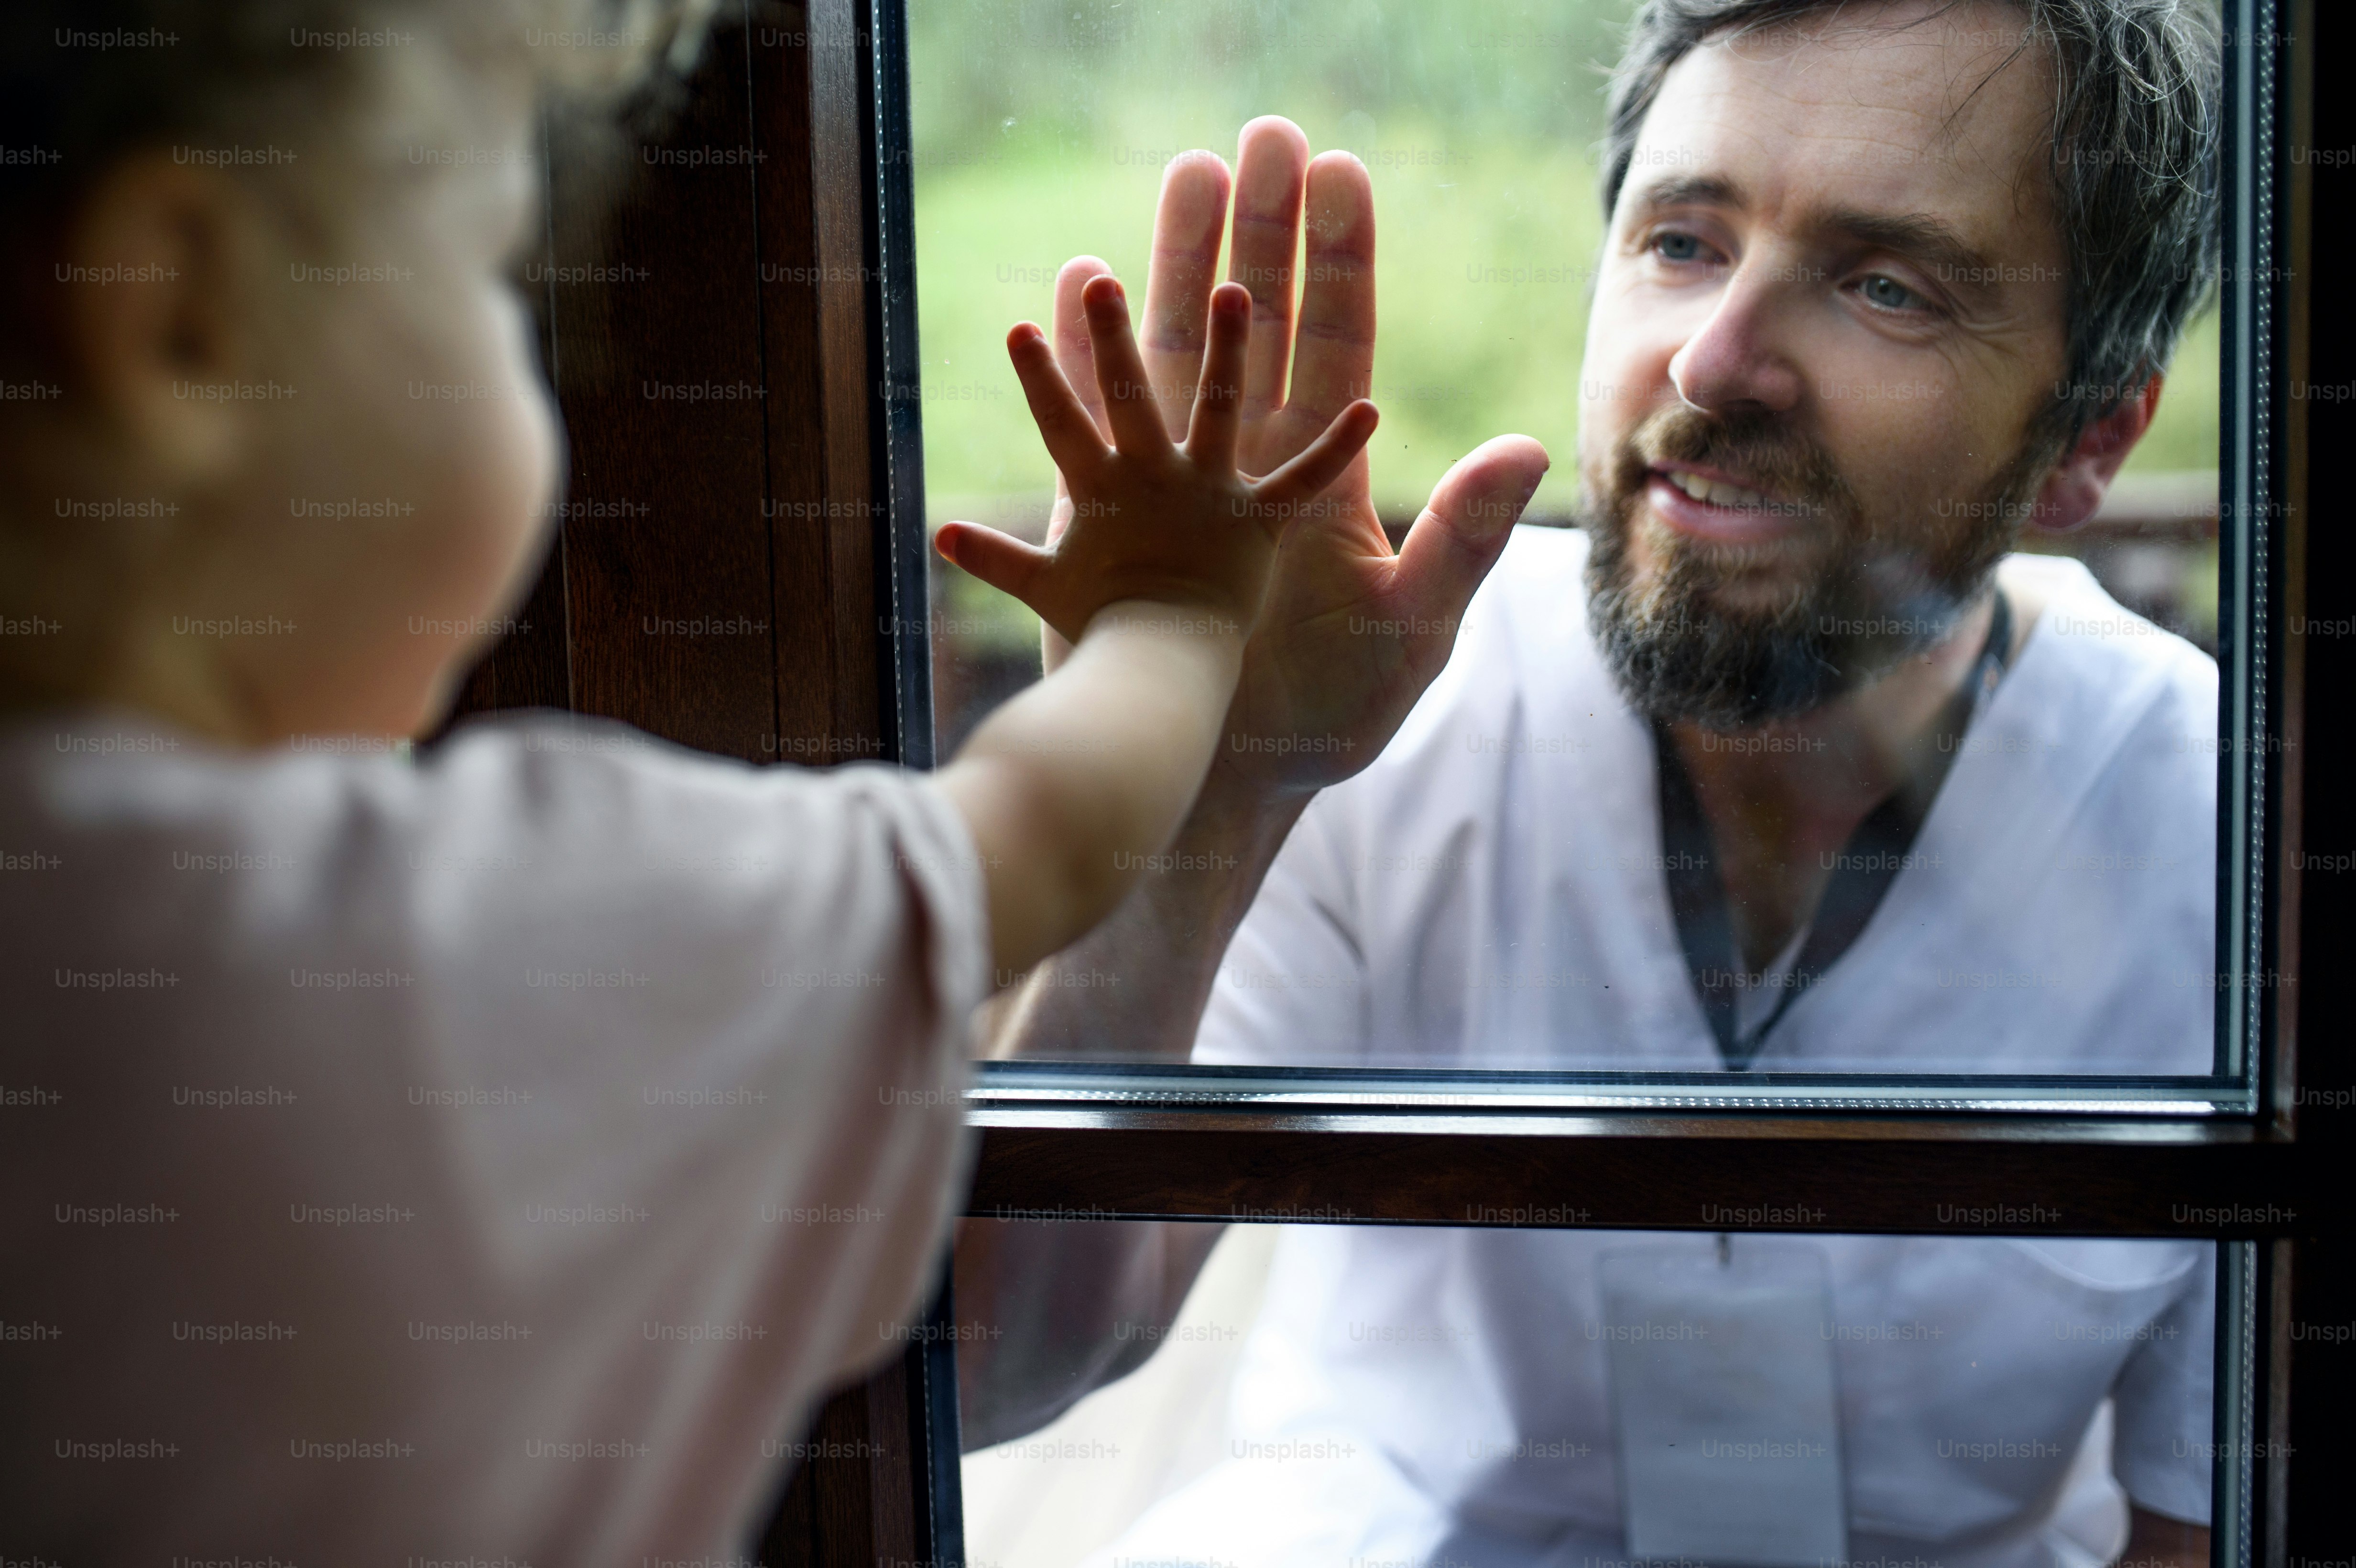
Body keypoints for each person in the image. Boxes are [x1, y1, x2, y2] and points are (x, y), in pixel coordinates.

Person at [0, 1, 1470, 1559]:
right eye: (495, 279)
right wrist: (1173, 612)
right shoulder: (497, 926)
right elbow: (1041, 833)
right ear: (179, 315)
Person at [956, 2, 2221, 1565]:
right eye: (1683, 241)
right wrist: (1225, 782)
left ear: (2088, 442)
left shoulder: (2216, 841)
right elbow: (996, 1368)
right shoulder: (1386, 711)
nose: (1712, 359)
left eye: (1886, 285)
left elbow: (2201, 1522)